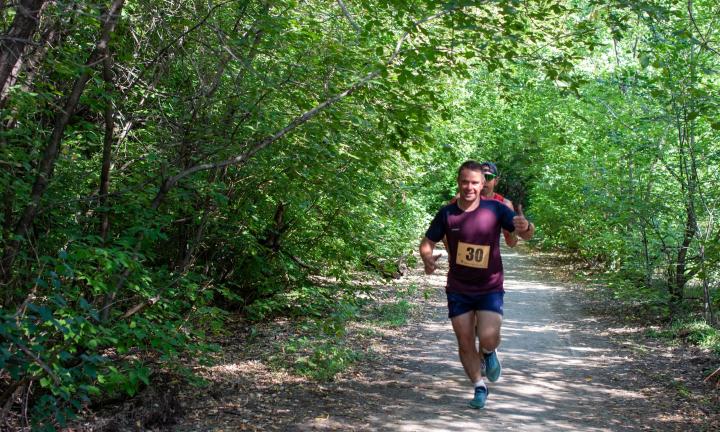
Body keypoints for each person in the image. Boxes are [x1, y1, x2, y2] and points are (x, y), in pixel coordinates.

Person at [419, 160, 535, 409]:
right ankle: (479, 386)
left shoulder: (495, 209)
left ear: (483, 184)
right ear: (458, 183)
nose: (469, 187)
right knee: (464, 341)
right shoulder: (447, 213)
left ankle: (490, 353)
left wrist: (527, 227)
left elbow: (524, 233)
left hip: (489, 286)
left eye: (474, 182)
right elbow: (427, 242)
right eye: (464, 182)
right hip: (459, 288)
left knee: (488, 337)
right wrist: (427, 258)